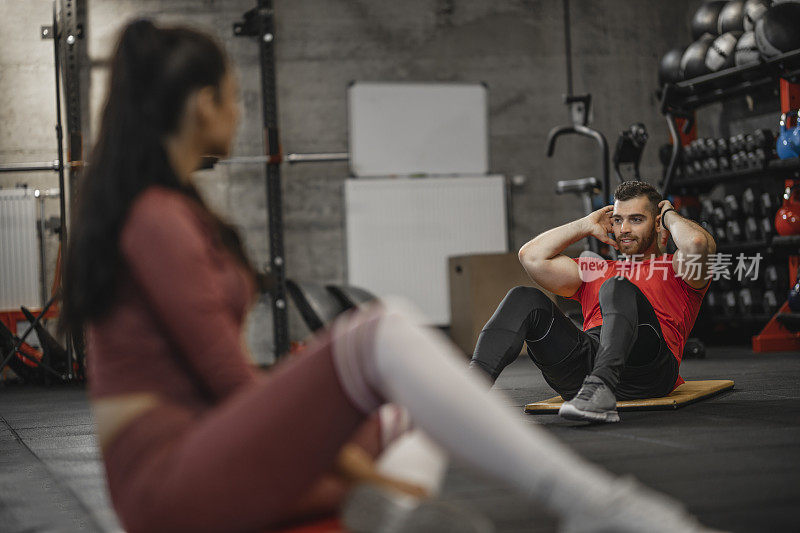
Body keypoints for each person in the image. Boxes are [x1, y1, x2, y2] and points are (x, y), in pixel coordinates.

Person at [61, 19, 717, 533]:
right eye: (234, 96)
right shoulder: (155, 216)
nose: (239, 112)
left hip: (208, 453)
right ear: (202, 104)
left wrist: (354, 459)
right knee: (380, 335)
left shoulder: (165, 207)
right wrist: (343, 461)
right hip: (174, 480)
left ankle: (394, 508)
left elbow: (701, 248)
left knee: (410, 414)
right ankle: (591, 502)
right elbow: (230, 383)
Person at [470, 180, 715, 423]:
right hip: (586, 367)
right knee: (524, 297)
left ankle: (602, 387)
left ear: (656, 222)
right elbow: (531, 257)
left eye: (636, 219)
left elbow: (697, 244)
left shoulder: (675, 268)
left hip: (648, 368)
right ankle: (468, 390)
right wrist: (585, 224)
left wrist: (669, 216)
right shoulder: (595, 270)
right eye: (618, 220)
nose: (624, 229)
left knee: (616, 286)